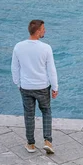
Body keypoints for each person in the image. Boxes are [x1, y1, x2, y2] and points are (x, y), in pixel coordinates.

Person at [11, 19, 58, 154]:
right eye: (43, 29)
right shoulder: (46, 48)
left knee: (29, 115)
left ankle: (30, 144)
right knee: (46, 112)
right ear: (37, 32)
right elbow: (51, 70)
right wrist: (55, 87)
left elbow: (15, 68)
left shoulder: (18, 47)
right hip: (43, 87)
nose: (45, 31)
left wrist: (18, 84)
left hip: (26, 87)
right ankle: (48, 141)